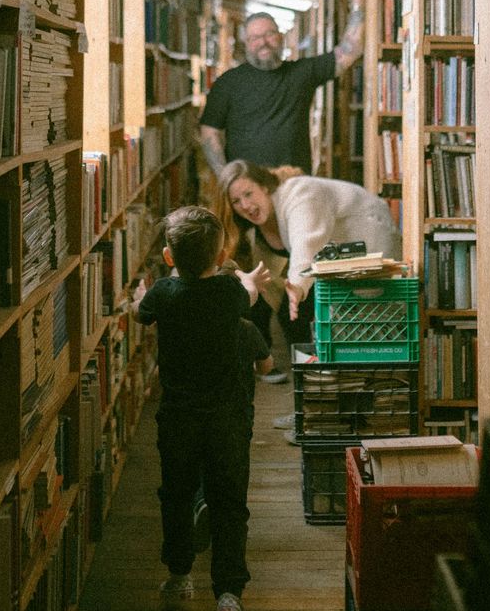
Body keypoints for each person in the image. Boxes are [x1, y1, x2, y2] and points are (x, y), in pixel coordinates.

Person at [213, 160, 402, 440]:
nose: (246, 205)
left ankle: (322, 416)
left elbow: (307, 241)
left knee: (346, 338)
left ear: (265, 186)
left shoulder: (300, 192)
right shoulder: (272, 212)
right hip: (346, 268)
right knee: (312, 330)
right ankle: (313, 409)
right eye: (237, 201)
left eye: (249, 193)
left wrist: (297, 286)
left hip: (371, 255)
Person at [134, 206, 261, 611]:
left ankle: (179, 575)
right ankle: (228, 591)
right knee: (230, 502)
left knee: (175, 494)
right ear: (221, 256)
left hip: (178, 418)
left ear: (169, 258)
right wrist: (246, 278)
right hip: (228, 417)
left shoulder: (163, 294)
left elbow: (142, 313)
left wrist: (141, 295)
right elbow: (248, 297)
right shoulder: (229, 293)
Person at [198, 0, 366, 176]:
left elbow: (351, 50)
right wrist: (225, 176)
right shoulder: (228, 82)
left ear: (281, 37)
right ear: (247, 43)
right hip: (247, 190)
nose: (263, 42)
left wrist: (359, 0)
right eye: (255, 37)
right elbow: (209, 131)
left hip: (294, 184)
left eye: (270, 34)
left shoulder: (303, 72)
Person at [193, 317, 272, 555]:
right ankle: (230, 521)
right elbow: (265, 366)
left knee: (201, 459)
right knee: (234, 466)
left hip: (198, 410)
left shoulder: (193, 326)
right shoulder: (246, 328)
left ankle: (201, 502)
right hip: (236, 413)